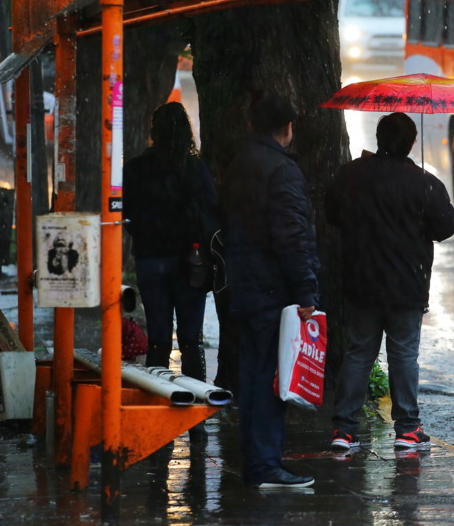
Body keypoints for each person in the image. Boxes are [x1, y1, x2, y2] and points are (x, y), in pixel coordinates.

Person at [325, 112, 454, 453]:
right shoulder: (423, 182)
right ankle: (408, 430)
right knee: (403, 355)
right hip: (406, 286)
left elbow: (333, 214)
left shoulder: (352, 175)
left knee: (358, 353)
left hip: (361, 282)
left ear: (379, 138)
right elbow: (445, 229)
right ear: (412, 143)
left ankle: (344, 429)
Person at [220, 92, 319, 489]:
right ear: (289, 129)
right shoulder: (281, 171)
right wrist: (307, 293)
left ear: (251, 125)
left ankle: (257, 462)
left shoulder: (240, 163)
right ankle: (264, 466)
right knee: (269, 381)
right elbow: (292, 237)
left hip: (244, 285)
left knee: (254, 377)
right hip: (272, 291)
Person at [122, 102, 216, 386]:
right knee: (190, 340)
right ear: (186, 132)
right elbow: (210, 212)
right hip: (190, 262)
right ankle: (196, 410)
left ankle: (154, 398)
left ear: (155, 132)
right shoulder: (195, 169)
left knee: (158, 340)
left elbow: (124, 212)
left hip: (150, 260)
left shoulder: (135, 169)